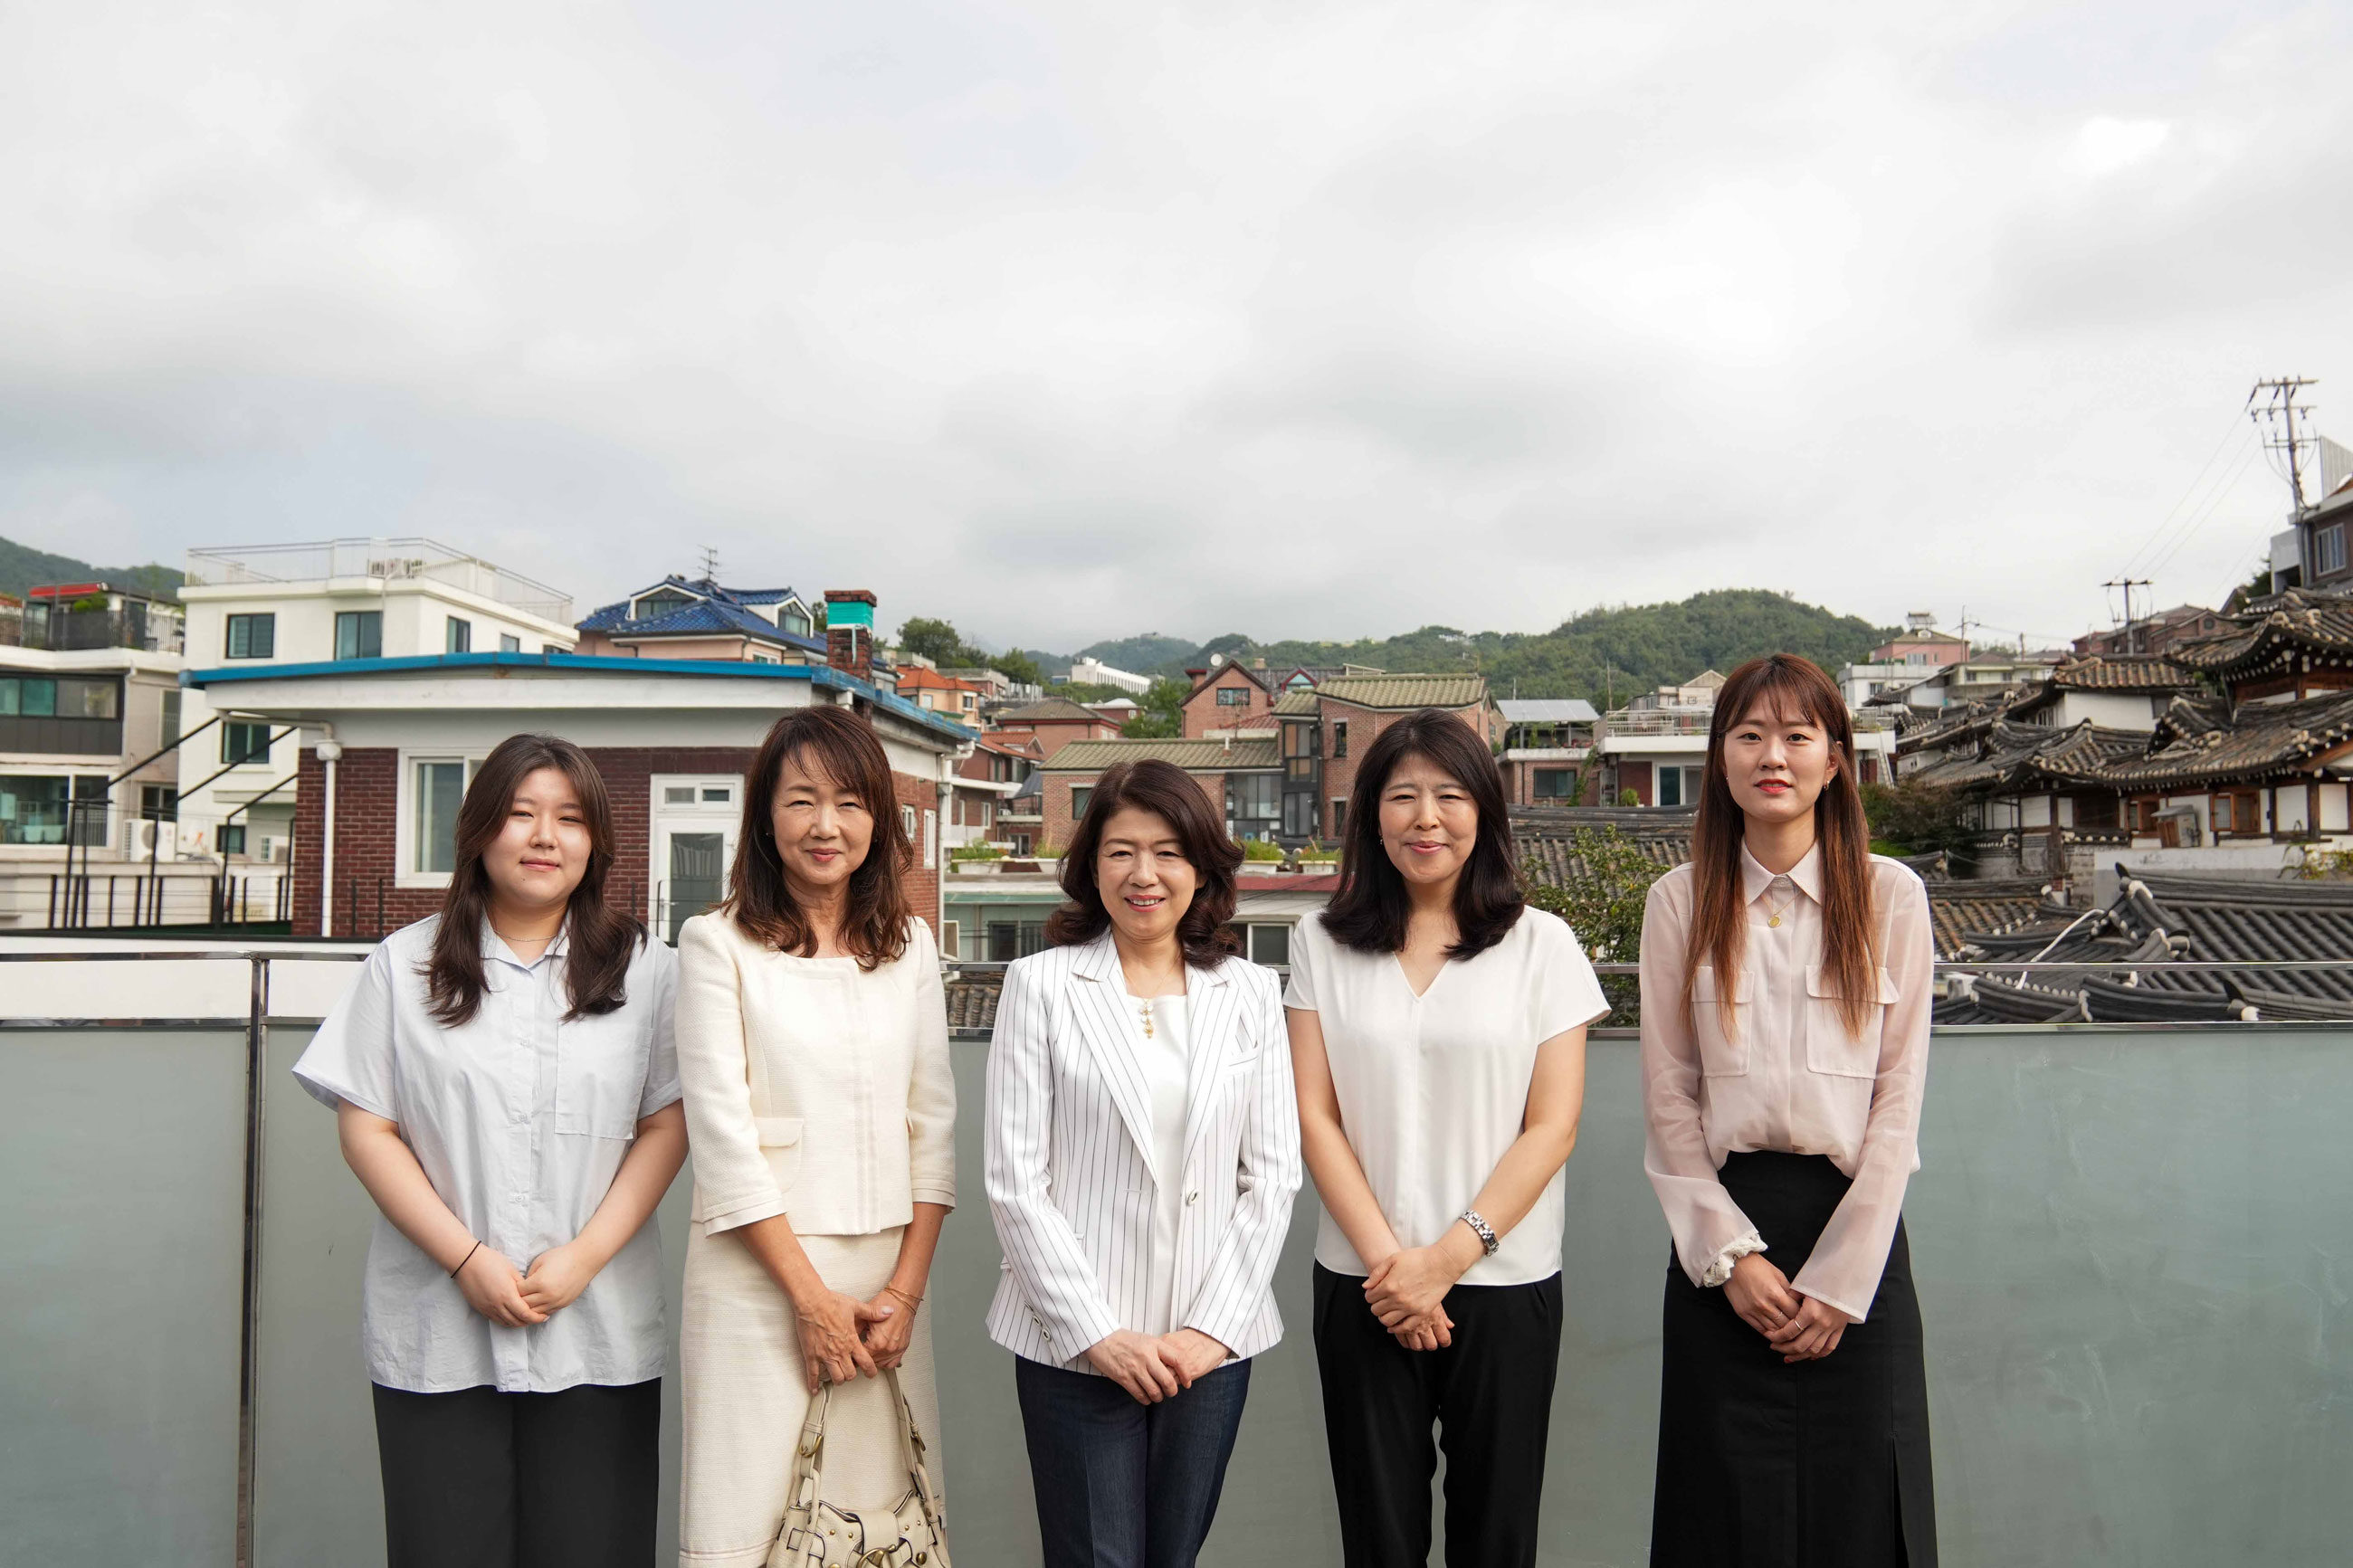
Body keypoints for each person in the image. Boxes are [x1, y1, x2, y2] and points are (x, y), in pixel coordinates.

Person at [293, 733, 685, 1568]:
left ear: (597, 843)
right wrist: (466, 1257)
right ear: (477, 831)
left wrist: (585, 1256)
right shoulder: (403, 966)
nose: (545, 837)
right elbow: (367, 1126)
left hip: (598, 1326)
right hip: (439, 1329)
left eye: (570, 819)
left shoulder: (649, 971)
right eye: (521, 814)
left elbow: (667, 1122)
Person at [1288, 708, 1610, 1568]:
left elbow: (1554, 1124)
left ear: (1484, 813)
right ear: (1372, 816)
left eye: (1449, 795)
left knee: (1496, 1536)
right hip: (1364, 1285)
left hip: (1505, 1282)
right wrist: (1395, 1266)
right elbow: (1315, 1114)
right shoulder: (1319, 942)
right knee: (1378, 1539)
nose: (1425, 817)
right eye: (1402, 796)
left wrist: (1448, 1259)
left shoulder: (1543, 945)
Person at [1640, 653, 1938, 1567]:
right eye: (1748, 734)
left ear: (1835, 758)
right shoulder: (1678, 900)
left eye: (1797, 735)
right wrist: (1729, 1258)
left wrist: (1841, 1280)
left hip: (1855, 1234)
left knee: (1863, 1511)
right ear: (1718, 758)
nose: (1773, 754)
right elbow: (1667, 1098)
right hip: (1721, 1243)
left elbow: (1897, 1100)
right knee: (1721, 1512)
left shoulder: (1889, 896)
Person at [985, 758, 1302, 1568]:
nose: (1144, 873)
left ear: (1201, 866)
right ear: (1092, 866)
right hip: (1074, 1343)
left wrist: (1209, 1332)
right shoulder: (1040, 985)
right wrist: (1098, 1334)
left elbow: (1271, 1177)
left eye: (1167, 851)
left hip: (1210, 1345)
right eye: (1121, 851)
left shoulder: (1250, 992)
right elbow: (1017, 1183)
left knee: (1174, 1557)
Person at [673, 704, 956, 1568]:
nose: (825, 825)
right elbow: (720, 1134)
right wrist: (806, 1298)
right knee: (751, 1520)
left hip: (884, 1291)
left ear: (879, 818)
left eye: (848, 801)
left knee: (881, 1526)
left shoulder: (908, 947)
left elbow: (933, 1121)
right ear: (765, 816)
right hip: (757, 1280)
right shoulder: (714, 944)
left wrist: (903, 1294)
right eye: (800, 801)